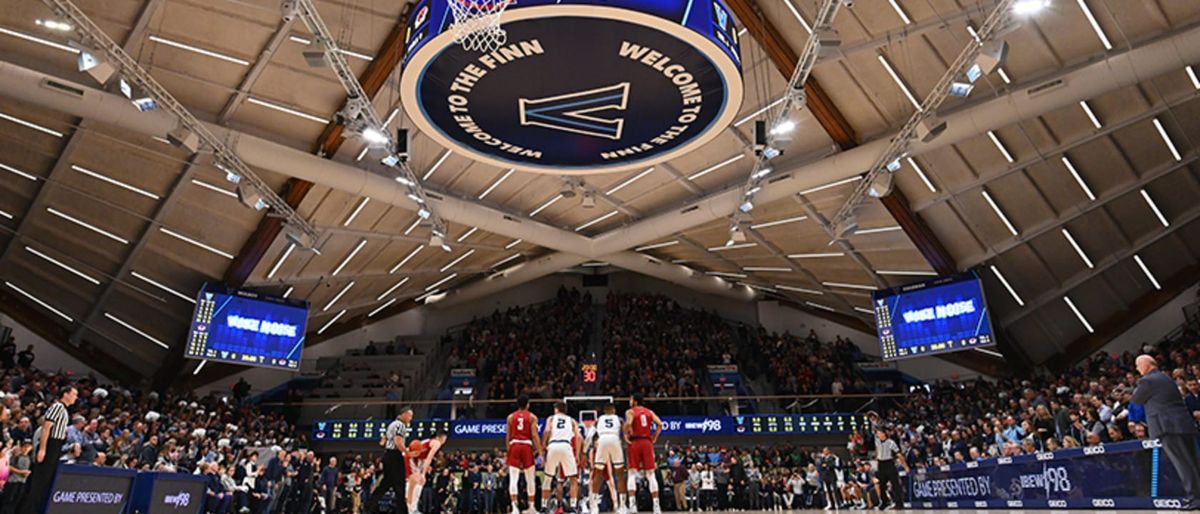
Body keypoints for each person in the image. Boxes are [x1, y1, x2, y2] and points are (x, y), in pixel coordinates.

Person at [1131, 355, 1200, 510]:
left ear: (1147, 365)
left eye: (1138, 365)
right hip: (1182, 423)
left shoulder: (1147, 380)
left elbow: (1136, 399)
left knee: (1182, 463)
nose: (1137, 369)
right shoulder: (1165, 378)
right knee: (1193, 461)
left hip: (1167, 426)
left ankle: (1194, 497)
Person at [18, 385, 75, 514]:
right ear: (66, 394)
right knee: (38, 484)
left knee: (43, 485)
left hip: (56, 446)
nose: (75, 398)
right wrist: (43, 449)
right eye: (74, 394)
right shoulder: (57, 407)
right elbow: (46, 428)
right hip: (50, 446)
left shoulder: (64, 410)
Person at [364, 407, 414, 514]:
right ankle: (402, 511)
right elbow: (398, 442)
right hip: (395, 456)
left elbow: (382, 442)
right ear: (404, 414)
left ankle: (368, 507)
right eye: (410, 416)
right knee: (400, 485)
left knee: (385, 484)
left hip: (387, 455)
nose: (411, 418)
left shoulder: (392, 424)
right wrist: (407, 452)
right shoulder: (400, 425)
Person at [624, 393, 662, 514]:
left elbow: (629, 423)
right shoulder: (649, 411)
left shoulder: (630, 411)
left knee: (632, 473)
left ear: (635, 401)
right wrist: (655, 436)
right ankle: (656, 506)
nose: (629, 401)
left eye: (631, 399)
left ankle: (633, 505)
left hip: (635, 442)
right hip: (647, 442)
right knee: (651, 475)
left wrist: (625, 434)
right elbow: (660, 424)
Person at [541, 401, 582, 514]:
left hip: (553, 445)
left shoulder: (551, 418)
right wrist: (577, 454)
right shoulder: (572, 420)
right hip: (566, 446)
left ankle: (544, 506)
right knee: (573, 478)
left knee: (548, 478)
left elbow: (547, 431)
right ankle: (573, 507)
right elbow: (578, 437)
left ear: (556, 409)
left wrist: (543, 445)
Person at [506, 395, 541, 514]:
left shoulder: (510, 417)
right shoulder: (532, 417)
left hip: (514, 445)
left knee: (513, 479)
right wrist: (540, 452)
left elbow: (508, 436)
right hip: (526, 445)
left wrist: (508, 450)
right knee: (530, 479)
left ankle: (514, 508)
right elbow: (535, 435)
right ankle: (531, 507)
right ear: (528, 404)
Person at [590, 402, 626, 514]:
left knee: (597, 474)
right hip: (615, 440)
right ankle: (622, 506)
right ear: (613, 410)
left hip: (602, 441)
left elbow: (590, 434)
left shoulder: (599, 419)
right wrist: (624, 443)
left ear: (604, 411)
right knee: (619, 475)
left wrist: (584, 449)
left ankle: (594, 507)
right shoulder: (619, 419)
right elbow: (625, 433)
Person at [408, 430, 449, 514]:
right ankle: (411, 509)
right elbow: (428, 459)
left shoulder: (428, 441)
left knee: (417, 484)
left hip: (414, 458)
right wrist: (423, 473)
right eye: (445, 438)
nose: (445, 440)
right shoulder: (437, 443)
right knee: (415, 484)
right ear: (441, 437)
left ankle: (412, 508)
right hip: (410, 458)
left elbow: (424, 458)